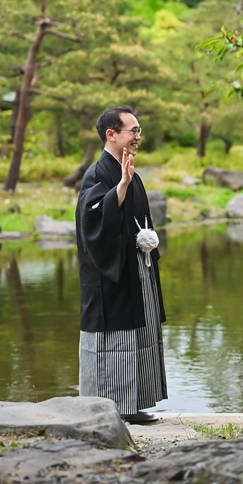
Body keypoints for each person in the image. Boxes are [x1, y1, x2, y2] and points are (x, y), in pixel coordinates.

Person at [75, 106, 167, 423]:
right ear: (111, 134)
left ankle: (133, 403)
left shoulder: (131, 172)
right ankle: (107, 407)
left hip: (135, 268)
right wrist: (122, 185)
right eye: (133, 131)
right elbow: (93, 219)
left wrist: (148, 241)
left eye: (139, 130)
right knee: (115, 340)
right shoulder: (97, 174)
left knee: (139, 334)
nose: (138, 136)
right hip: (108, 275)